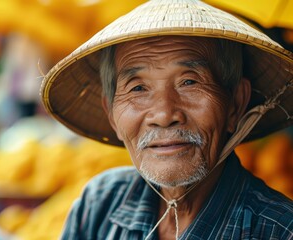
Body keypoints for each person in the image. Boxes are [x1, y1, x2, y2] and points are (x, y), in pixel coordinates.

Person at [40, 0, 293, 239]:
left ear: (236, 103)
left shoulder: (280, 230)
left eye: (189, 82)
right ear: (112, 116)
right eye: (138, 88)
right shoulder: (99, 205)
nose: (163, 115)